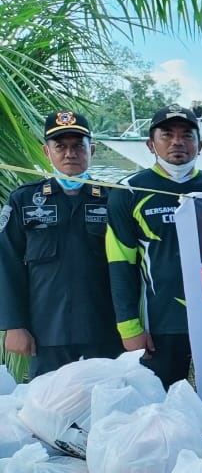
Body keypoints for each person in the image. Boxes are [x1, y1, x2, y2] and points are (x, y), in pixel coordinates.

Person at [106, 105, 202, 387]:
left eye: (186, 135)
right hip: (160, 323)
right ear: (150, 144)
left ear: (200, 145)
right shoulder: (128, 191)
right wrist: (129, 327)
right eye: (167, 135)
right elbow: (120, 265)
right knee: (159, 406)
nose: (177, 142)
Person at [0, 112, 121, 376]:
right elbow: (6, 264)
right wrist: (14, 324)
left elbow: (131, 267)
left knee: (108, 410)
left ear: (93, 150)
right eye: (60, 146)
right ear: (47, 151)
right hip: (46, 333)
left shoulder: (113, 199)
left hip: (106, 330)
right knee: (48, 412)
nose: (70, 153)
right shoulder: (24, 199)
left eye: (78, 145)